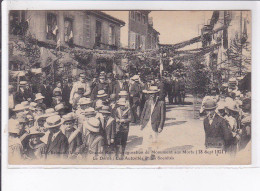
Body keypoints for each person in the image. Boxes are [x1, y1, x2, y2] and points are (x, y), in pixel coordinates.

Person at [140, 86, 166, 150]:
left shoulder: (161, 103)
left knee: (154, 140)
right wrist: (141, 123)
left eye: (153, 94)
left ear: (156, 94)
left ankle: (153, 154)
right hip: (146, 123)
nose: (151, 96)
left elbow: (163, 116)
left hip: (155, 124)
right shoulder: (147, 102)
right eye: (150, 94)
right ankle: (145, 154)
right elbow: (143, 112)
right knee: (145, 139)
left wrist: (161, 126)